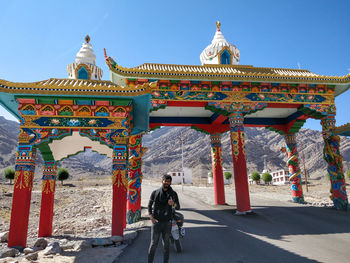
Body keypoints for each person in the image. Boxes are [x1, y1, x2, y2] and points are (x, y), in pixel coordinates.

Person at [148, 174, 180, 263]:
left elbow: (178, 207)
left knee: (166, 246)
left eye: (169, 181)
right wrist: (151, 216)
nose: (167, 183)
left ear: (170, 182)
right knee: (153, 245)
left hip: (167, 223)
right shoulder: (155, 192)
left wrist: (173, 204)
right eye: (165, 181)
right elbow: (149, 205)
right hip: (156, 223)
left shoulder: (173, 194)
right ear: (162, 181)